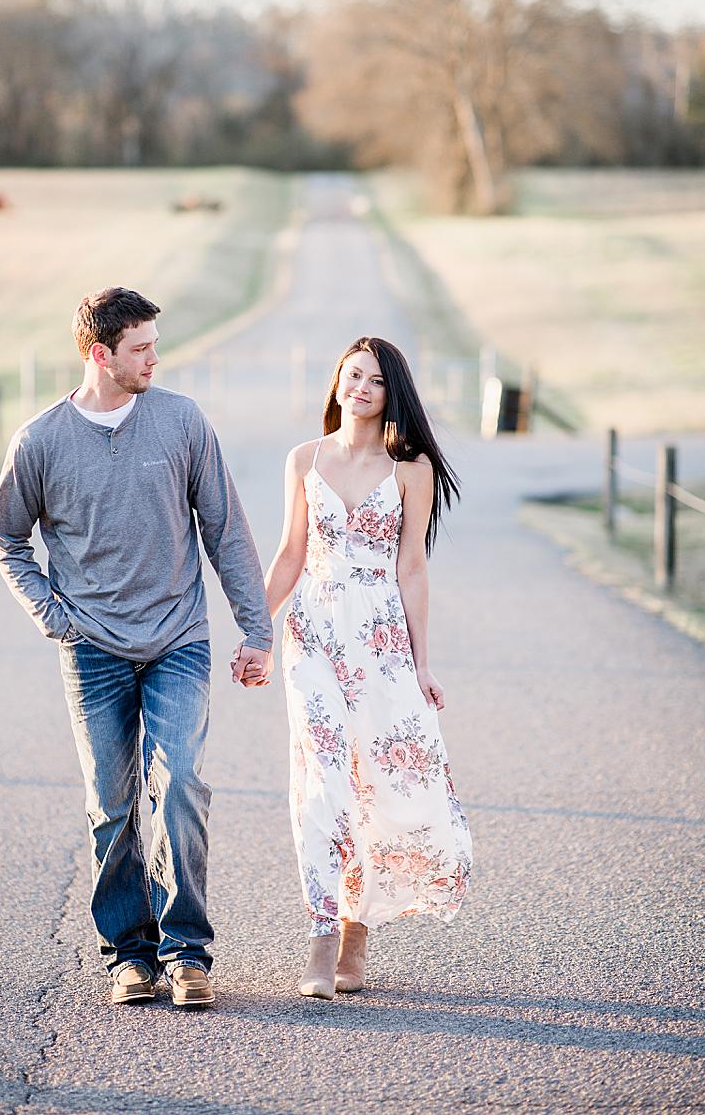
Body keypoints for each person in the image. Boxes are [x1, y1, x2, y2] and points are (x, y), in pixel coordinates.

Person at [0, 287, 273, 1009]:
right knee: (112, 805)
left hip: (178, 637)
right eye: (140, 348)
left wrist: (256, 628)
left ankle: (187, 953)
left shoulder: (180, 421)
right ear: (100, 354)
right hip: (91, 648)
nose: (154, 358)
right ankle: (129, 954)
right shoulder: (41, 440)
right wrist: (51, 614)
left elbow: (226, 529)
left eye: (154, 344)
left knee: (179, 785)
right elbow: (7, 539)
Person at [261, 336, 472, 999]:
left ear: (392, 393)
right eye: (352, 376)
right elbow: (291, 555)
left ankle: (358, 934)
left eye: (374, 381)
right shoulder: (304, 459)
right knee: (322, 782)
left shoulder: (411, 469)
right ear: (337, 382)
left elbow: (412, 567)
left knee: (377, 783)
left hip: (380, 642)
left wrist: (422, 663)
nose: (359, 388)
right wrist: (251, 632)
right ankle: (322, 938)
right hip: (314, 635)